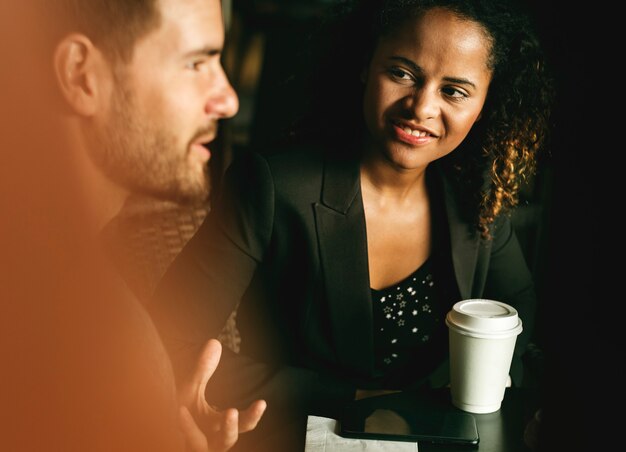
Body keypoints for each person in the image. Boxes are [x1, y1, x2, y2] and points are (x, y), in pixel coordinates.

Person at [149, 0, 554, 449]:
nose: (421, 107)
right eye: (402, 73)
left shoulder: (475, 193)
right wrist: (359, 399)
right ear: (366, 64)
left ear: (484, 103)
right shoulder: (271, 185)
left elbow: (517, 313)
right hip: (300, 433)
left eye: (454, 91)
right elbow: (168, 339)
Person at [2, 0, 265, 451]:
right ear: (81, 75)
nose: (227, 99)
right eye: (195, 63)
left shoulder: (75, 263)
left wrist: (157, 419)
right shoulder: (48, 312)